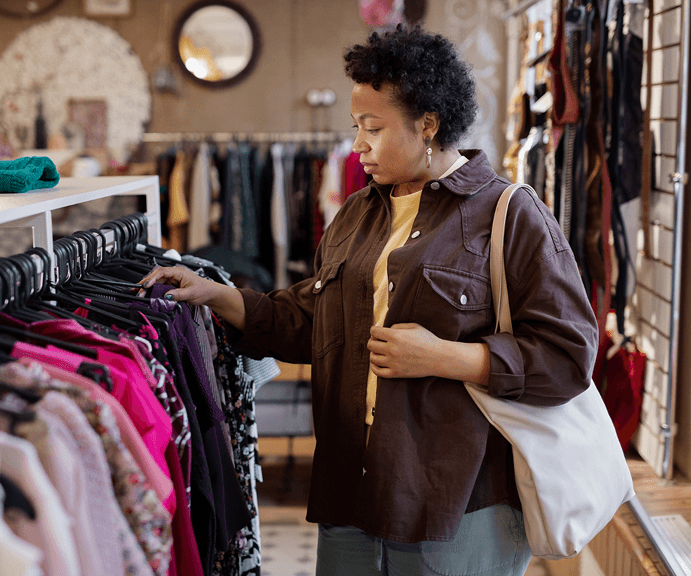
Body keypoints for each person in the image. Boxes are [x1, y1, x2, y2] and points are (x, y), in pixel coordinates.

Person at [141, 25, 598, 576]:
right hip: (350, 494)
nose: (358, 145)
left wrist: (446, 357)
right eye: (356, 127)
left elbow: (568, 355)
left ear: (427, 123)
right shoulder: (358, 213)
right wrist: (220, 297)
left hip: (457, 504)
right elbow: (311, 320)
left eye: (373, 128)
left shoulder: (508, 214)